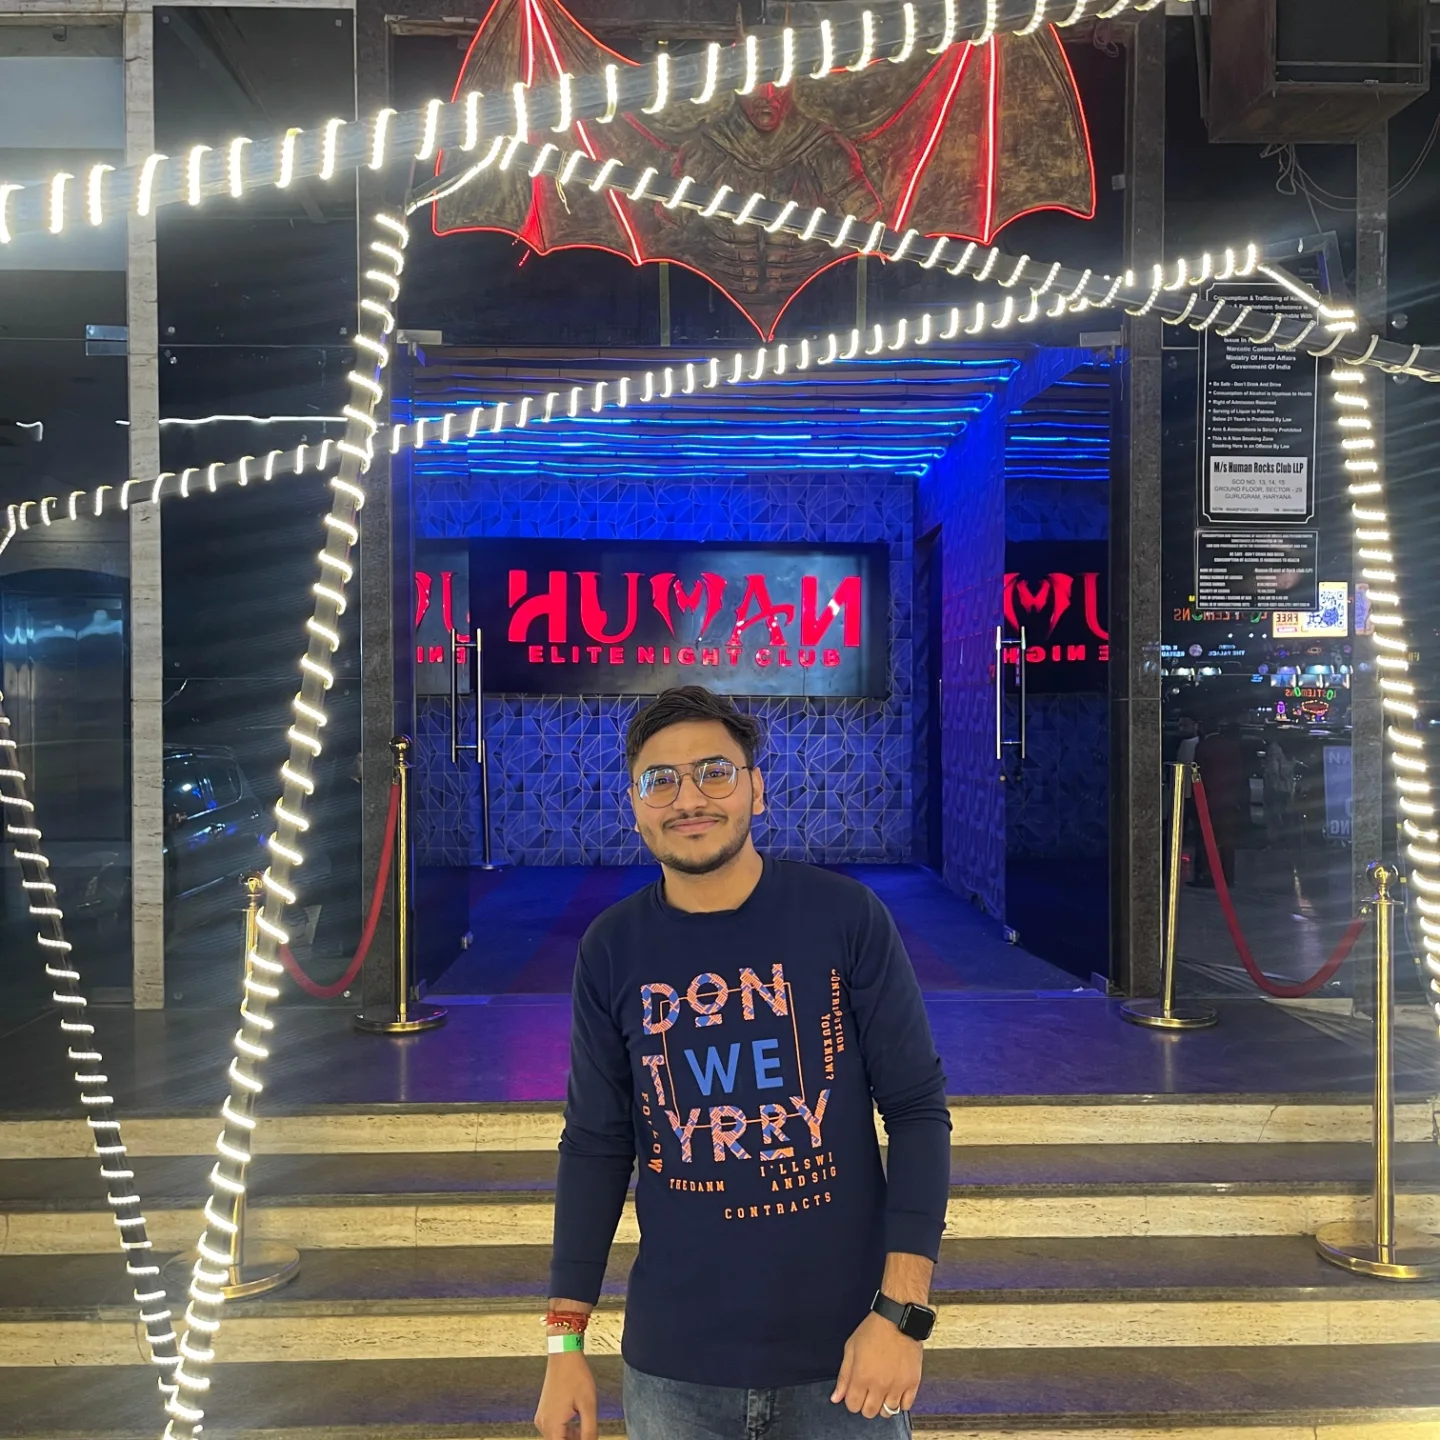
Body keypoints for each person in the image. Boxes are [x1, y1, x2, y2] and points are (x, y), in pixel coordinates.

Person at [534, 685, 952, 1440]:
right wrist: (565, 1342)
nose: (688, 798)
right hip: (675, 1371)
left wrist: (901, 1314)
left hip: (848, 1357)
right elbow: (595, 1143)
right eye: (660, 780)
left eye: (714, 772)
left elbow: (917, 1110)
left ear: (757, 789)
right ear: (635, 806)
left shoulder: (844, 918)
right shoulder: (612, 948)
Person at [1195, 722, 1246, 888]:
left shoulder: (1203, 746)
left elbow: (1199, 773)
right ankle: (1228, 876)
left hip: (1209, 799)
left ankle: (1206, 874)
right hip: (1229, 799)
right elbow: (1239, 772)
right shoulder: (1232, 746)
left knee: (1206, 838)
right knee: (1227, 839)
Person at [1264, 729, 1296, 847]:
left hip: (1278, 789)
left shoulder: (1276, 749)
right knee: (1278, 816)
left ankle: (1279, 841)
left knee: (1277, 816)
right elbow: (1277, 771)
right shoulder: (1275, 750)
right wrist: (1292, 764)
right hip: (1278, 789)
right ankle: (1279, 842)